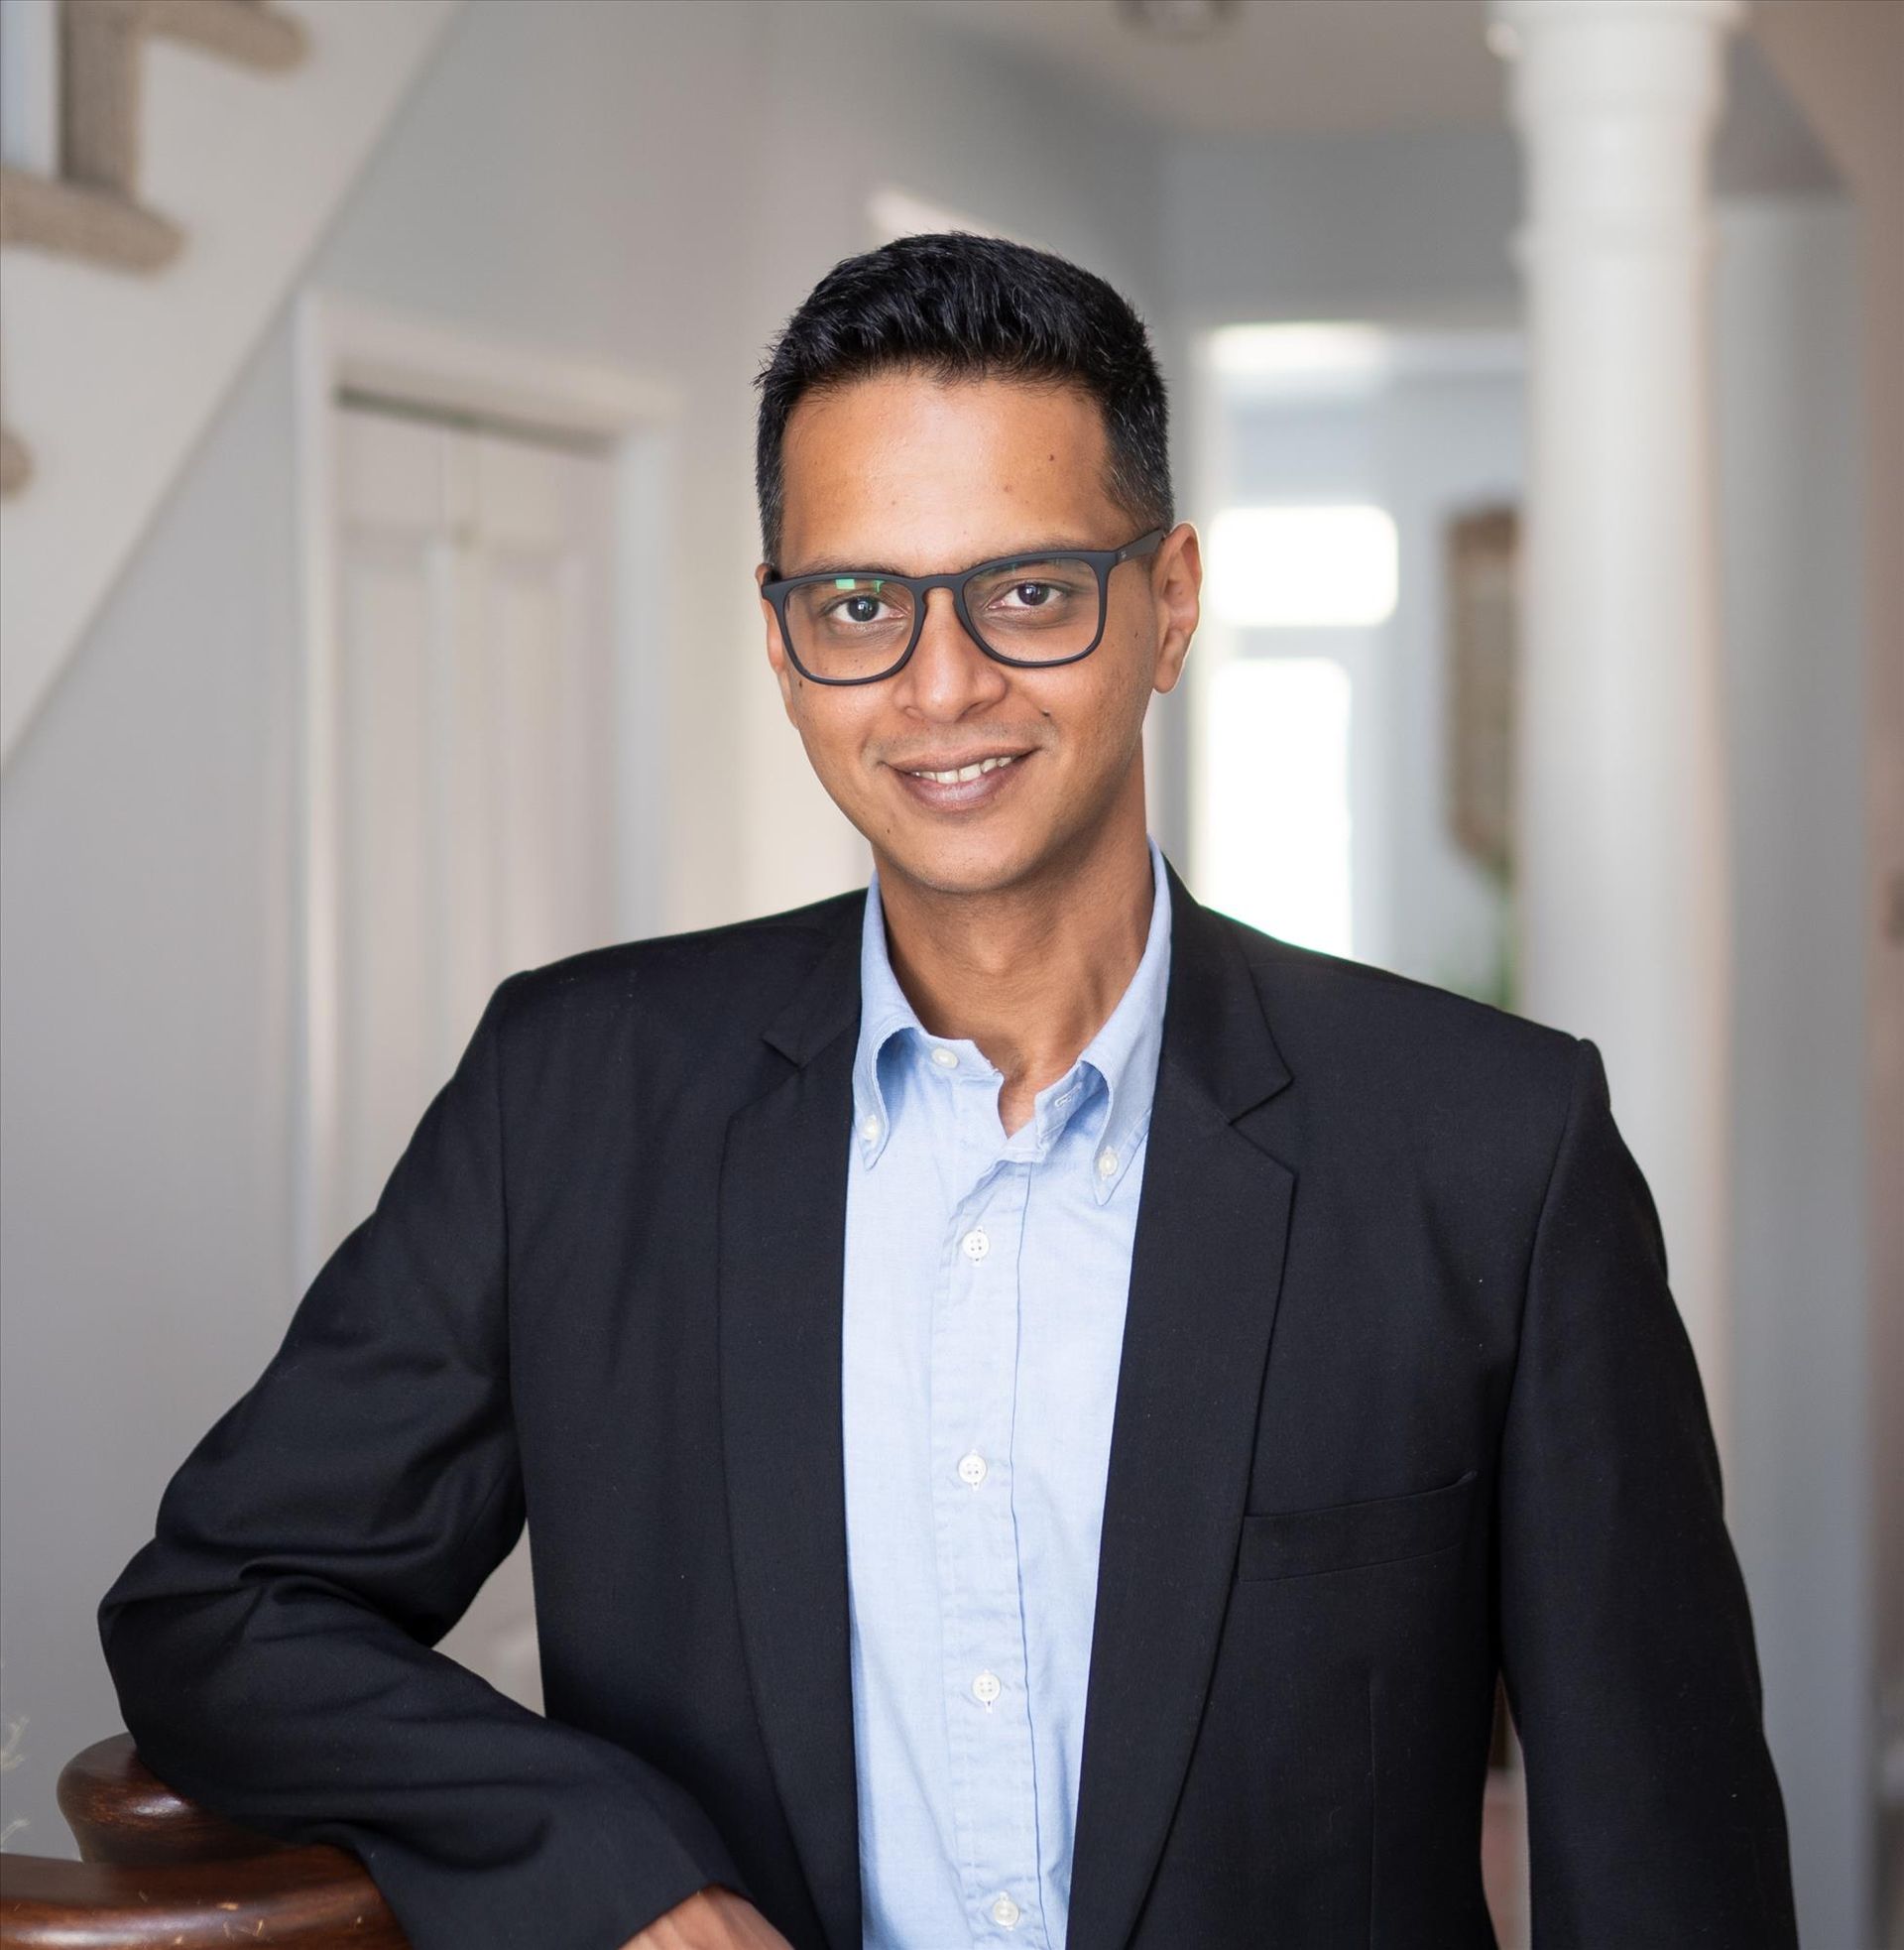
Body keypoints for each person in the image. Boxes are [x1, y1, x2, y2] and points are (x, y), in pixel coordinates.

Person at [98, 232, 1798, 1950]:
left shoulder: (1491, 1149)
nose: (940, 683)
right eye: (859, 603)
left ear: (1172, 603)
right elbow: (223, 1606)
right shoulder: (574, 1100)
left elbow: (1669, 1863)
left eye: (1031, 589)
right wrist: (611, 1866)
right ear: (781, 646)